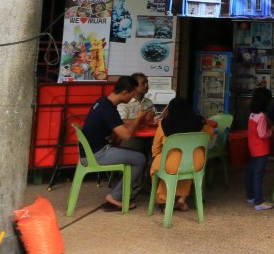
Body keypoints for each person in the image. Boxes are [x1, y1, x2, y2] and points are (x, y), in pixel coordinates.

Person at [79, 76, 145, 210]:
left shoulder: (103, 102)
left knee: (132, 154)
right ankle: (115, 196)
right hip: (96, 154)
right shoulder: (108, 110)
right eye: (132, 95)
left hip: (92, 150)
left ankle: (118, 190)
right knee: (140, 158)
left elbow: (117, 127)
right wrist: (138, 119)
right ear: (124, 93)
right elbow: (126, 136)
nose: (132, 98)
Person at [148, 97, 217, 212]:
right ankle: (181, 199)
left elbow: (156, 148)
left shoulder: (164, 124)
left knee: (162, 166)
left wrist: (158, 157)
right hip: (196, 164)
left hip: (172, 165)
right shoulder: (200, 123)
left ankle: (163, 200)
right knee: (186, 162)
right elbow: (210, 136)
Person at [247, 87, 274, 211]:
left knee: (251, 173)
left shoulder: (252, 114)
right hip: (261, 150)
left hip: (253, 148)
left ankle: (251, 196)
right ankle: (258, 202)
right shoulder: (262, 116)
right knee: (259, 174)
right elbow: (263, 134)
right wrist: (272, 130)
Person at [118, 72, 155, 152]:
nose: (147, 86)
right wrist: (143, 119)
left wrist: (152, 119)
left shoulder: (148, 102)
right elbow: (121, 122)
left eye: (147, 82)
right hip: (130, 137)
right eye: (143, 83)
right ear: (134, 86)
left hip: (148, 136)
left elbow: (152, 121)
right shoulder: (124, 103)